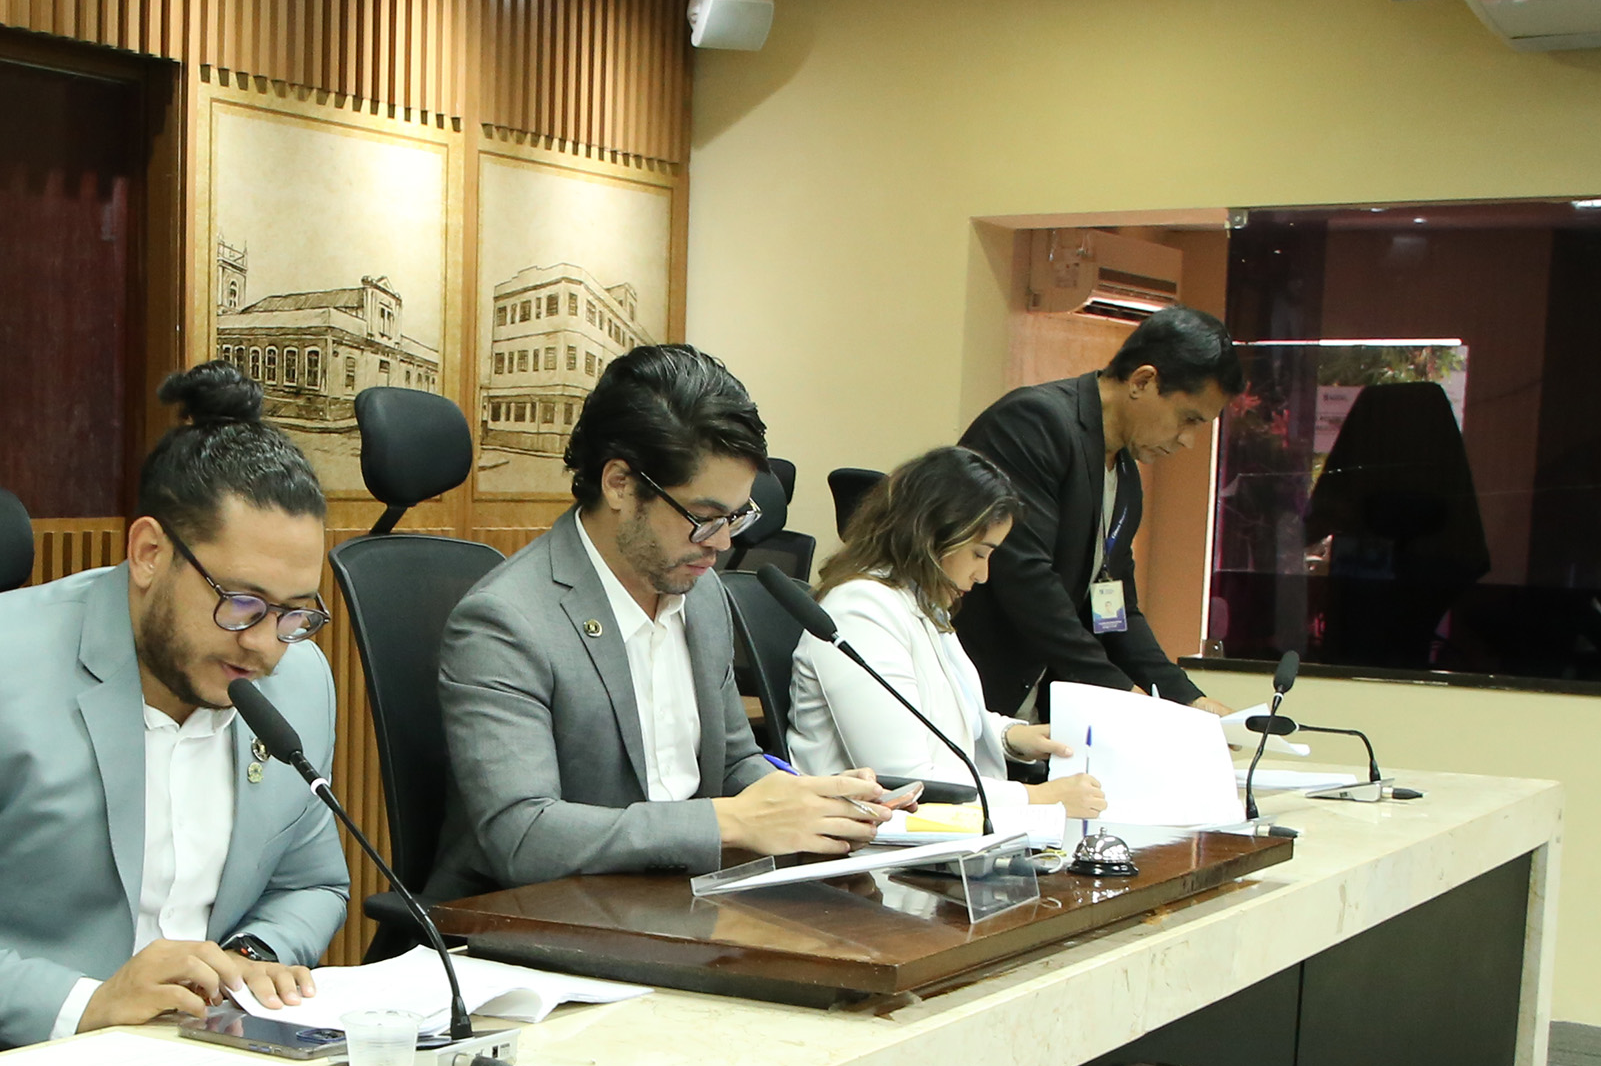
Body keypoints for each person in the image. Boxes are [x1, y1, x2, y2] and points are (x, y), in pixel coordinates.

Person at [0, 364, 352, 1052]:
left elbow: (313, 884)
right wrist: (86, 1005)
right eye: (242, 603)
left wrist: (244, 960)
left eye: (294, 613)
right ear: (149, 553)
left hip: (203, 1055)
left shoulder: (297, 677)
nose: (264, 644)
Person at [425, 343, 895, 899]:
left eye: (737, 517)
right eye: (705, 517)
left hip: (684, 899)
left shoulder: (702, 595)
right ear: (620, 484)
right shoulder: (506, 621)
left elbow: (735, 762)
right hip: (540, 915)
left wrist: (816, 805)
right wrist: (728, 822)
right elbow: (523, 836)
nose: (722, 543)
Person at [784, 446, 1108, 817]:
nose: (983, 575)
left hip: (933, 825)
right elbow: (903, 778)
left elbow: (937, 718)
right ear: (933, 536)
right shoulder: (861, 610)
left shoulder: (920, 601)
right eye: (979, 554)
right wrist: (1038, 798)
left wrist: (1011, 737)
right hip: (870, 834)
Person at [954, 306, 1240, 721]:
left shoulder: (1124, 474)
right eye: (1188, 419)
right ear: (1143, 381)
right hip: (969, 698)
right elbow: (1026, 580)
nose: (1188, 440)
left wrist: (1186, 699)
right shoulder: (1034, 423)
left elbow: (1115, 609)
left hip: (1036, 716)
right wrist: (1121, 692)